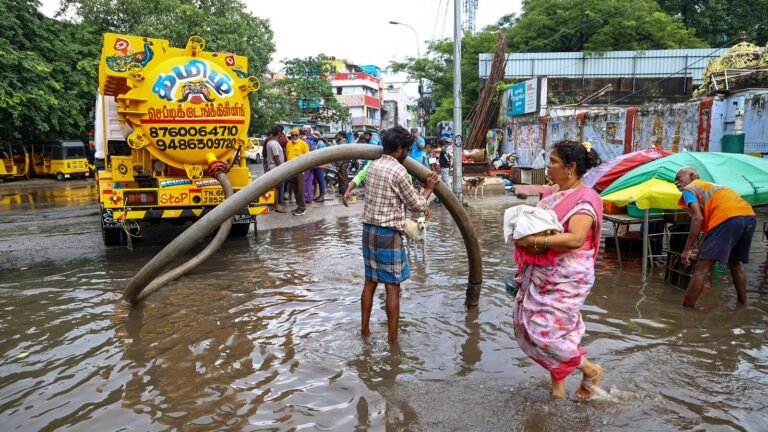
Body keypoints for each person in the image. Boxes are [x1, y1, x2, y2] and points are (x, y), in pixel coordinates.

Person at [511, 140, 604, 400]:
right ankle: (558, 390)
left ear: (571, 167)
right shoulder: (554, 196)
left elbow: (575, 238)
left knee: (546, 333)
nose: (548, 166)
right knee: (542, 327)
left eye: (553, 161)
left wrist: (536, 242)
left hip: (567, 278)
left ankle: (591, 369)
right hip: (543, 274)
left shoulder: (586, 198)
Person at [360, 125, 439, 344]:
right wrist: (429, 189)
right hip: (388, 234)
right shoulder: (399, 171)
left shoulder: (373, 166)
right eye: (407, 149)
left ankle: (364, 331)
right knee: (392, 287)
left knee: (369, 282)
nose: (408, 153)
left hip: (368, 231)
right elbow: (415, 205)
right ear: (399, 149)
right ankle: (393, 341)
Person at [674, 167, 756, 308]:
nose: (676, 183)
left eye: (678, 178)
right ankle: (742, 306)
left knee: (701, 267)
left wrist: (687, 250)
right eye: (674, 181)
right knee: (735, 264)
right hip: (748, 216)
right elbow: (711, 232)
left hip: (728, 218)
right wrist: (699, 252)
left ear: (692, 175)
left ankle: (685, 314)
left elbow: (698, 219)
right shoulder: (713, 187)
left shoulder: (690, 188)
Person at [285, 128, 309, 216]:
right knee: (295, 189)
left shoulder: (303, 144)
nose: (294, 137)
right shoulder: (288, 144)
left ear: (299, 135)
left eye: (296, 135)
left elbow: (307, 157)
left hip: (300, 170)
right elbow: (287, 156)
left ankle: (302, 208)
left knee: (300, 189)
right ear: (290, 136)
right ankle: (299, 206)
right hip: (291, 170)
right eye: (292, 135)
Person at [264, 126, 286, 213]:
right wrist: (280, 167)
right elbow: (276, 157)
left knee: (274, 187)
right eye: (281, 133)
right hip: (275, 167)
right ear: (279, 133)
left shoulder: (269, 142)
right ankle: (276, 205)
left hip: (271, 166)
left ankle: (274, 205)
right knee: (276, 187)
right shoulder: (274, 144)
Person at [334, 131, 351, 197]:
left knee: (343, 178)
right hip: (343, 163)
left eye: (338, 135)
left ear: (341, 136)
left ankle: (344, 192)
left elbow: (341, 156)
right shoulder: (344, 142)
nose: (337, 136)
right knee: (342, 178)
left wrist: (338, 165)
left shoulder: (342, 143)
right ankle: (342, 192)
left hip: (342, 163)